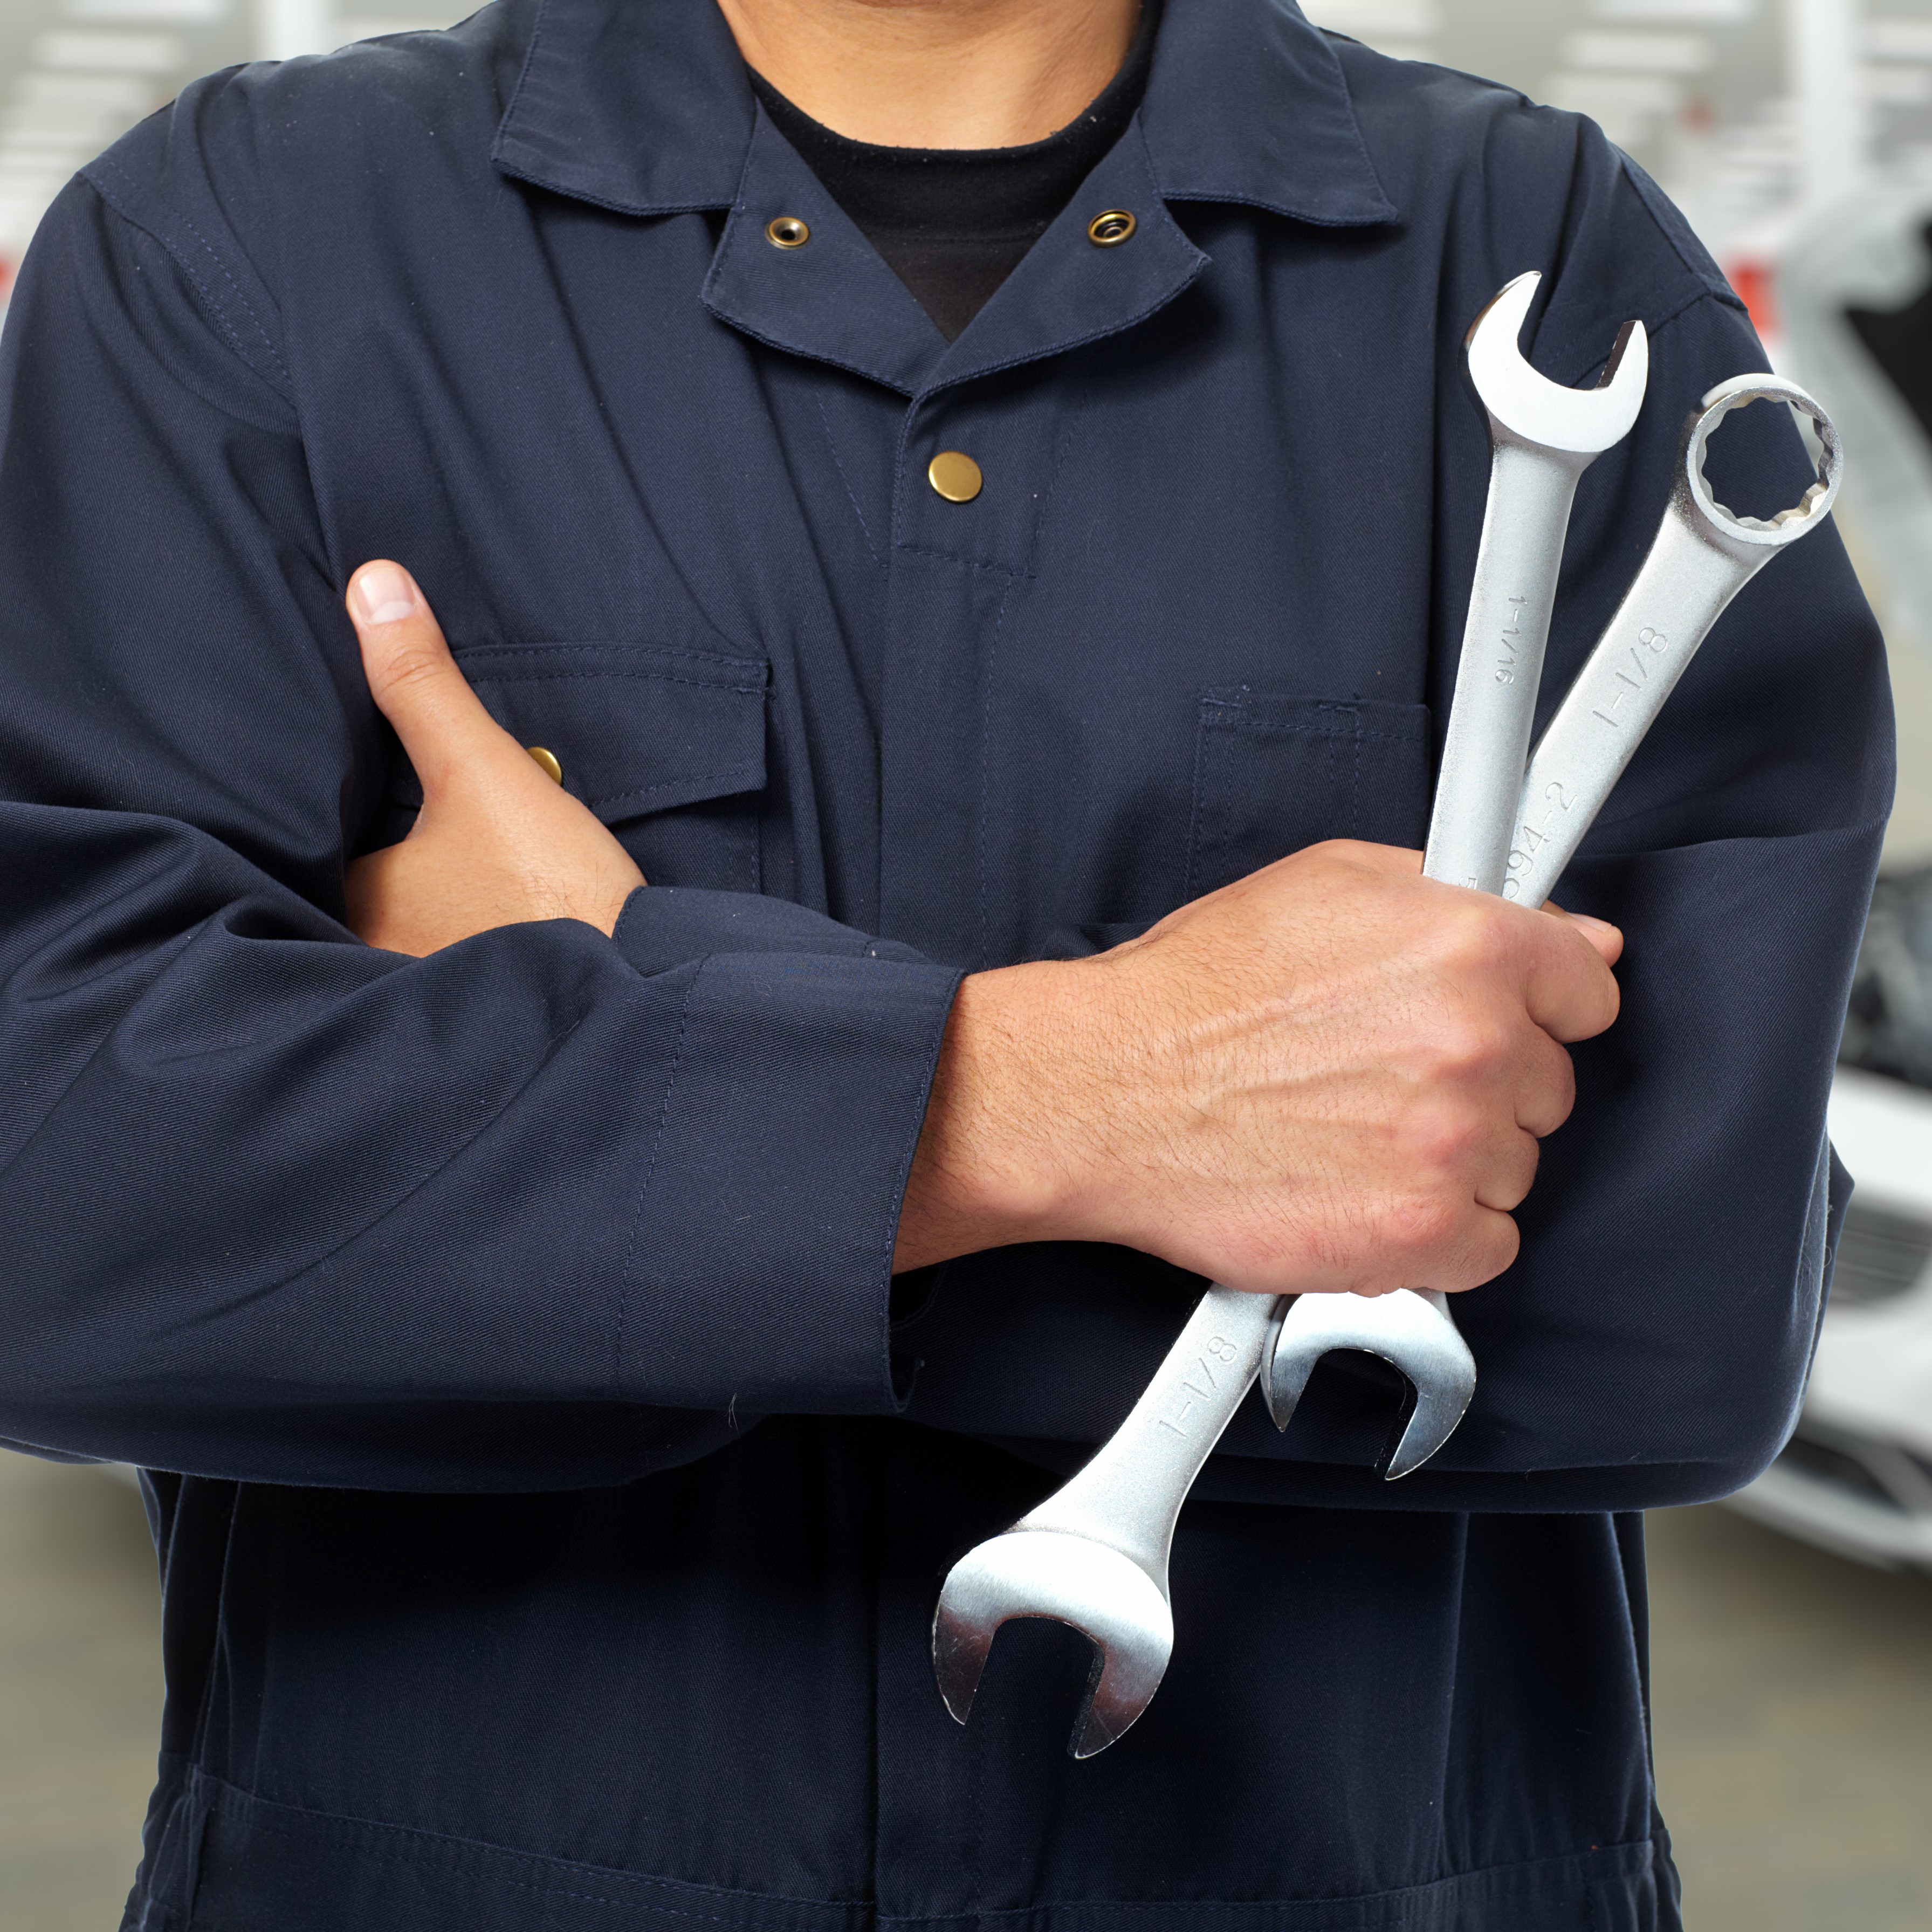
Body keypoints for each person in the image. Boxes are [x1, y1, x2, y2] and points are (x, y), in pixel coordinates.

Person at [0, 1, 1890, 1927]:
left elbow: (1690, 1308)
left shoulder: (1531, 243)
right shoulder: (246, 244)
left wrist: (618, 1070)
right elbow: (57, 1196)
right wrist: (1052, 1108)